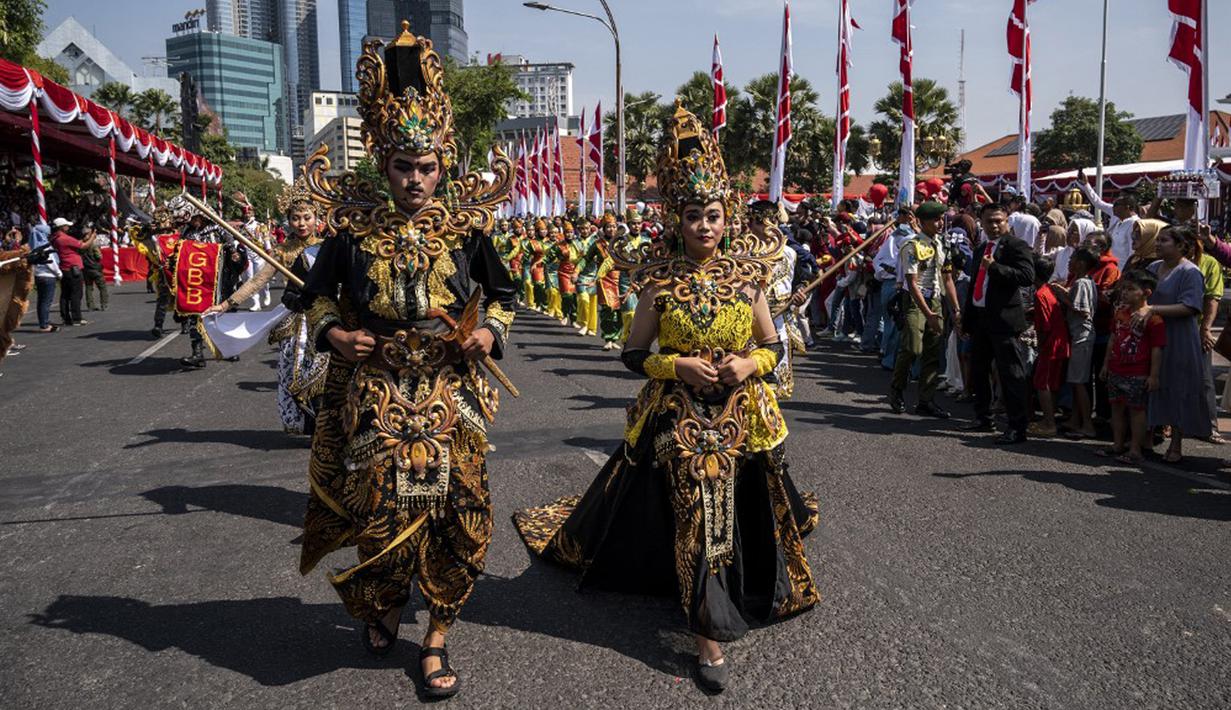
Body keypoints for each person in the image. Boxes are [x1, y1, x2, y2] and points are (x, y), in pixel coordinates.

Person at [514, 104, 817, 694]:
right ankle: (707, 631)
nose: (704, 226)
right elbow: (632, 354)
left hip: (742, 415)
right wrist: (675, 365)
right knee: (697, 514)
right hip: (677, 418)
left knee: (742, 508)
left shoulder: (748, 278)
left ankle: (739, 588)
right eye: (693, 216)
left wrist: (747, 364)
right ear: (677, 219)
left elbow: (772, 346)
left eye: (713, 215)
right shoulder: (658, 281)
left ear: (727, 217)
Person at [295, 24, 517, 698]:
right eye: (402, 166)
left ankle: (437, 634)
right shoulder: (352, 230)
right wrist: (336, 336)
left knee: (463, 512)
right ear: (382, 164)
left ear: (442, 164)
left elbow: (503, 295)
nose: (414, 179)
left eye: (426, 167)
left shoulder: (467, 229)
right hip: (377, 392)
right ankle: (387, 602)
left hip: (451, 393)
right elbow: (312, 297)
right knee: (380, 510)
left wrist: (489, 334)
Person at [203, 180, 329, 434]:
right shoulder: (282, 252)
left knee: (324, 374)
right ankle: (307, 423)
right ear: (288, 220)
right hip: (294, 319)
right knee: (293, 373)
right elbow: (257, 281)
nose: (301, 223)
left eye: (307, 217)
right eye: (295, 218)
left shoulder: (328, 248)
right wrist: (226, 304)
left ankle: (327, 425)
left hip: (325, 318)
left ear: (317, 218)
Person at [961, 203, 1036, 444]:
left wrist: (995, 267)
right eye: (989, 221)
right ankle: (983, 417)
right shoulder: (981, 249)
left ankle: (1017, 426)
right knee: (979, 370)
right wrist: (967, 319)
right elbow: (975, 284)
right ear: (981, 222)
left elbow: (1026, 276)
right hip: (981, 318)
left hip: (1004, 320)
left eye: (998, 221)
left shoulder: (1016, 246)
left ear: (1007, 221)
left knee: (1010, 373)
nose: (994, 226)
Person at [1141, 226, 1210, 463]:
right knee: (1152, 383)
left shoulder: (1190, 272)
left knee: (1179, 386)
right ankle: (1147, 436)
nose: (1158, 244)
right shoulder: (1153, 268)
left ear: (1181, 246)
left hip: (1179, 337)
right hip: (1153, 334)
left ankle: (1176, 442)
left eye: (1164, 240)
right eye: (1158, 240)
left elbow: (1190, 306)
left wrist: (1152, 309)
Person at [889, 201, 960, 417]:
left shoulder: (943, 245)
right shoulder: (912, 245)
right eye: (935, 220)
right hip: (915, 300)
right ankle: (897, 388)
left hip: (935, 299)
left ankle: (926, 401)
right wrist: (928, 314)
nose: (940, 224)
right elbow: (912, 283)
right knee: (912, 348)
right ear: (922, 222)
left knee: (932, 351)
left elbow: (948, 278)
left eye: (941, 219)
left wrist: (956, 309)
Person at [1100, 270, 1165, 463]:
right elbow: (1112, 339)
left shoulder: (1154, 319)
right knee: (1116, 408)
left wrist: (1153, 375)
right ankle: (1117, 444)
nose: (1125, 293)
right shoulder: (1120, 312)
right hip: (1116, 368)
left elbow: (1157, 348)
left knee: (1137, 410)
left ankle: (1136, 449)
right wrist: (1106, 364)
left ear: (1146, 292)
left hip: (1137, 372)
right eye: (1124, 289)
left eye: (1130, 289)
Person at [1051, 248, 1098, 438]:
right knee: (1076, 380)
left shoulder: (1081, 283)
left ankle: (1087, 424)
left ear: (1081, 263)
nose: (1069, 262)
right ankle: (1075, 420)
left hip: (1082, 336)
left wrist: (1062, 296)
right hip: (1077, 335)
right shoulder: (1083, 281)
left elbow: (1083, 311)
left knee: (1079, 382)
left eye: (1072, 259)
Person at [1028, 256, 1069, 437]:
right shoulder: (1048, 290)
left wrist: (1041, 344)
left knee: (1042, 384)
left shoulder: (1040, 294)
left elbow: (1044, 326)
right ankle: (1048, 419)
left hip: (1050, 345)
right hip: (1059, 343)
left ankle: (1049, 423)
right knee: (1051, 384)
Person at [1077, 171, 1140, 269]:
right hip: (1111, 267)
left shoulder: (1135, 224)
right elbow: (1098, 203)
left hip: (1123, 269)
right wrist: (1086, 185)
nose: (1113, 207)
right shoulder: (1120, 220)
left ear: (1127, 207)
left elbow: (1133, 253)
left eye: (1116, 204)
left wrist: (1126, 272)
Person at [49, 217, 94, 326]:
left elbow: (76, 244)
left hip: (64, 268)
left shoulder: (55, 238)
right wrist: (92, 237)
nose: (68, 227)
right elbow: (83, 246)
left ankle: (66, 317)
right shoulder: (65, 238)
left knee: (65, 294)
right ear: (62, 227)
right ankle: (76, 318)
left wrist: (84, 239)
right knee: (76, 294)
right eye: (66, 226)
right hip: (72, 268)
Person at [28, 224, 60, 333]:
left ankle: (44, 321)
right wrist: (59, 273)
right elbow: (51, 263)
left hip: (38, 275)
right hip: (48, 276)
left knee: (41, 301)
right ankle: (44, 325)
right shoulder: (44, 246)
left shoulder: (32, 245)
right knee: (46, 301)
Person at [80, 224, 108, 312]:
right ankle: (104, 304)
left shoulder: (80, 244)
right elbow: (99, 256)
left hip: (85, 268)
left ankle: (90, 305)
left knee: (88, 287)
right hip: (95, 267)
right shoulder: (93, 244)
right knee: (102, 287)